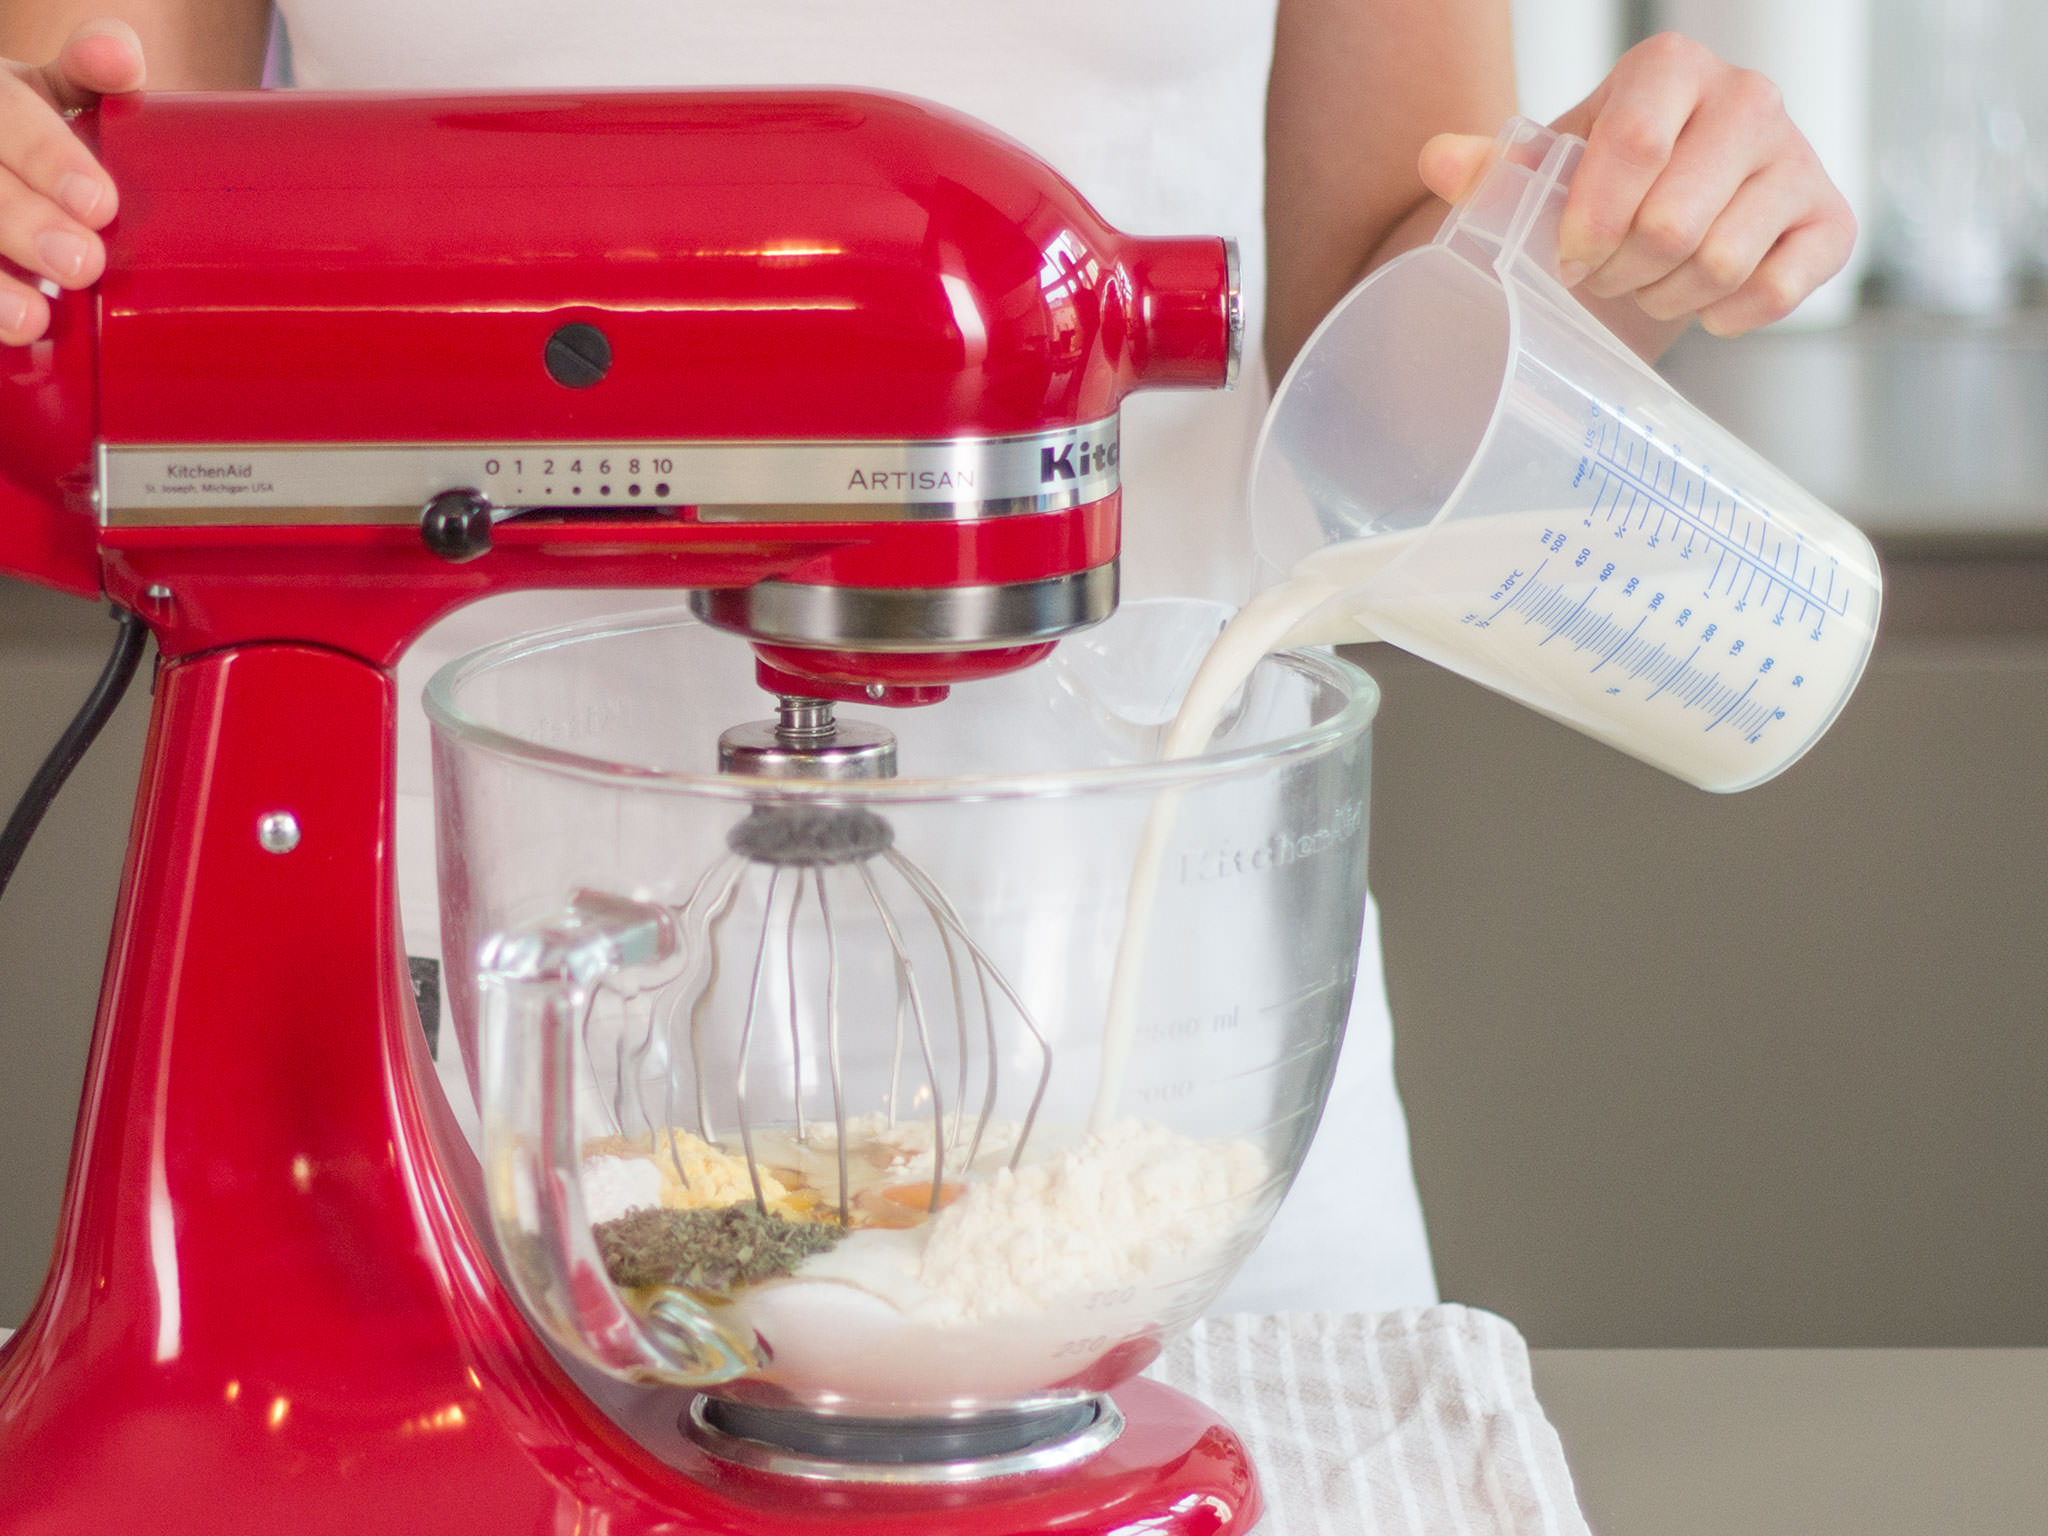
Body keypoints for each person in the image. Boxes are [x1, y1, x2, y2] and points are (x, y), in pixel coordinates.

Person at [0, 4, 1853, 1314]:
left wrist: (1604, 251)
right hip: (488, 1046)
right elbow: (102, 223)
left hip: (1146, 1051)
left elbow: (1379, 326)